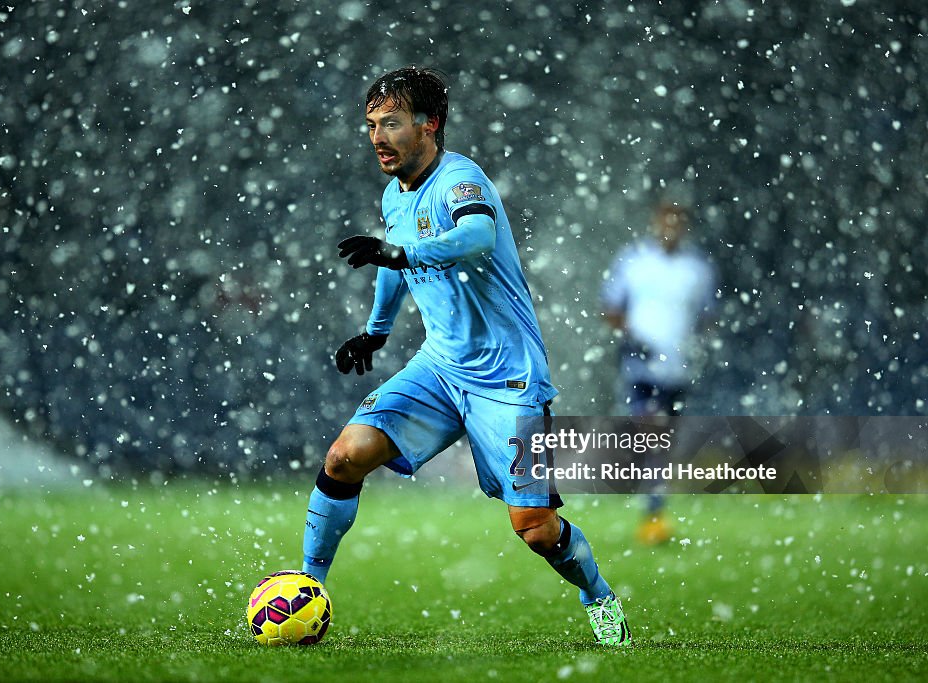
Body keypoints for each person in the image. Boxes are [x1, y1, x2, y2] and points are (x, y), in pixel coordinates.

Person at [299, 66, 632, 646]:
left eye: (392, 124)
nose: (378, 137)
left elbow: (473, 238)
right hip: (439, 367)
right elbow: (395, 263)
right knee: (345, 456)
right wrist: (376, 331)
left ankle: (597, 594)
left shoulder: (460, 180)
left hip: (508, 381)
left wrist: (400, 252)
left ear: (430, 125)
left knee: (534, 528)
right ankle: (307, 588)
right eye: (372, 125)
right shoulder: (395, 192)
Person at [601, 200, 717, 544]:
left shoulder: (697, 269)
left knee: (663, 440)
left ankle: (653, 509)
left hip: (678, 369)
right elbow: (610, 307)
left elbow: (709, 314)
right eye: (666, 220)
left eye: (678, 222)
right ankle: (652, 509)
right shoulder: (634, 261)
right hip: (641, 365)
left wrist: (694, 343)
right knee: (651, 429)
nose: (671, 228)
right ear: (655, 223)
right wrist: (633, 338)